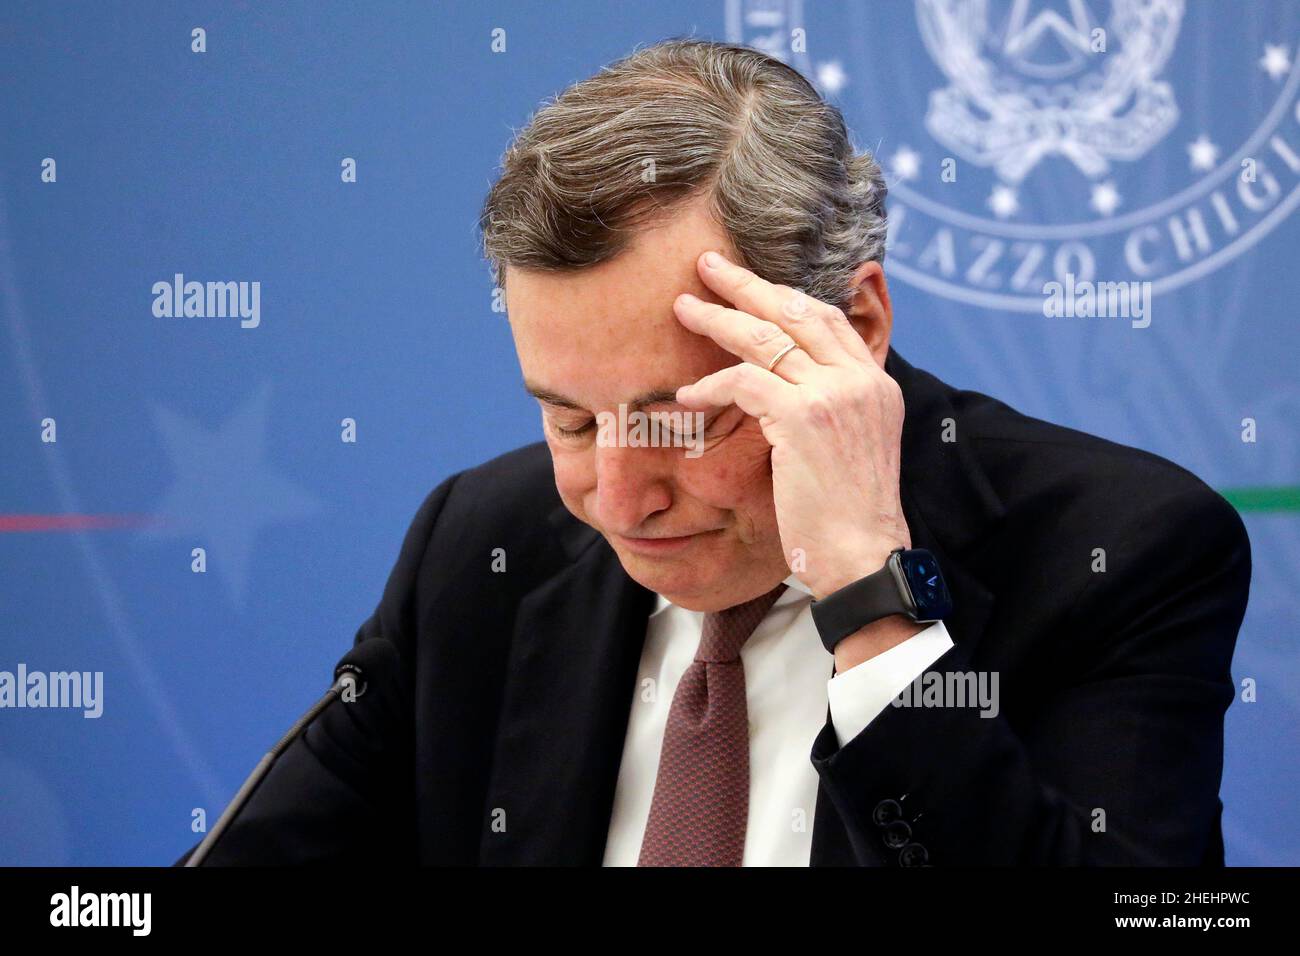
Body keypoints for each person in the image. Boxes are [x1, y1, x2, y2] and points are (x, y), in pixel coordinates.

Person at [176, 38, 1250, 867]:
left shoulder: (1121, 548)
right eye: (570, 418)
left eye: (677, 417)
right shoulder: (481, 545)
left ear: (857, 327)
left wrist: (874, 603)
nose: (617, 496)